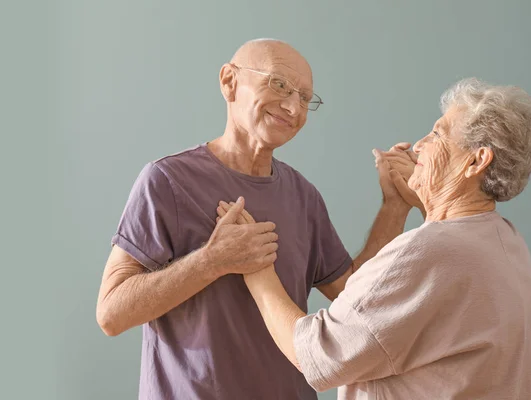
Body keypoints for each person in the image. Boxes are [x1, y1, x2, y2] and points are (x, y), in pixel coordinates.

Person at [95, 38, 417, 400]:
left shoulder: (304, 196)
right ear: (229, 82)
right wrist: (210, 261)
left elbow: (354, 295)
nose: (293, 107)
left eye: (305, 98)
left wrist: (395, 205)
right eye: (278, 84)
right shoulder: (166, 181)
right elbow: (111, 313)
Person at [222, 77, 531, 400]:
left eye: (436, 134)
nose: (418, 145)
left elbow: (317, 355)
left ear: (476, 161)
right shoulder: (504, 237)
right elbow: (384, 312)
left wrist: (256, 268)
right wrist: (404, 204)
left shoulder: (431, 251)